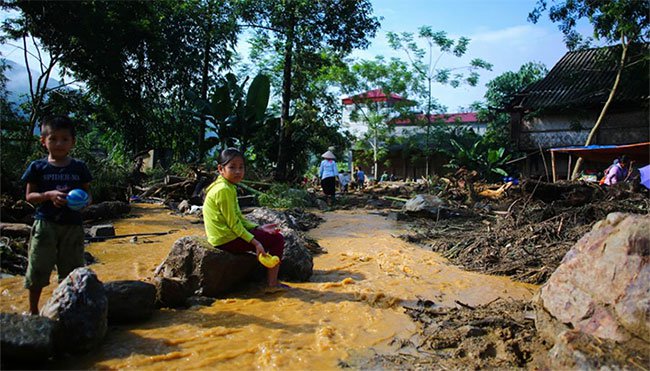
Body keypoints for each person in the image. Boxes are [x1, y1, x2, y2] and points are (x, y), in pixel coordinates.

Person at [21, 115, 93, 315]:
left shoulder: (79, 167)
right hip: (45, 224)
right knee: (38, 266)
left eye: (64, 139)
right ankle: (33, 311)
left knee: (72, 270)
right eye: (53, 139)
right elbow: (30, 196)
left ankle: (69, 310)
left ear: (73, 142)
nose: (59, 143)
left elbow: (88, 192)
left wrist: (86, 201)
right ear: (43, 141)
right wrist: (48, 195)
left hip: (73, 225)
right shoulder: (38, 167)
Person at [203, 148, 287, 289]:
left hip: (223, 235)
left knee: (271, 235)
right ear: (220, 169)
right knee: (277, 239)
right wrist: (256, 243)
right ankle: (272, 283)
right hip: (226, 238)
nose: (238, 171)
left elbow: (238, 218)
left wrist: (258, 228)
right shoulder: (223, 190)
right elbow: (234, 224)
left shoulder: (226, 186)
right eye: (232, 167)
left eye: (241, 167)